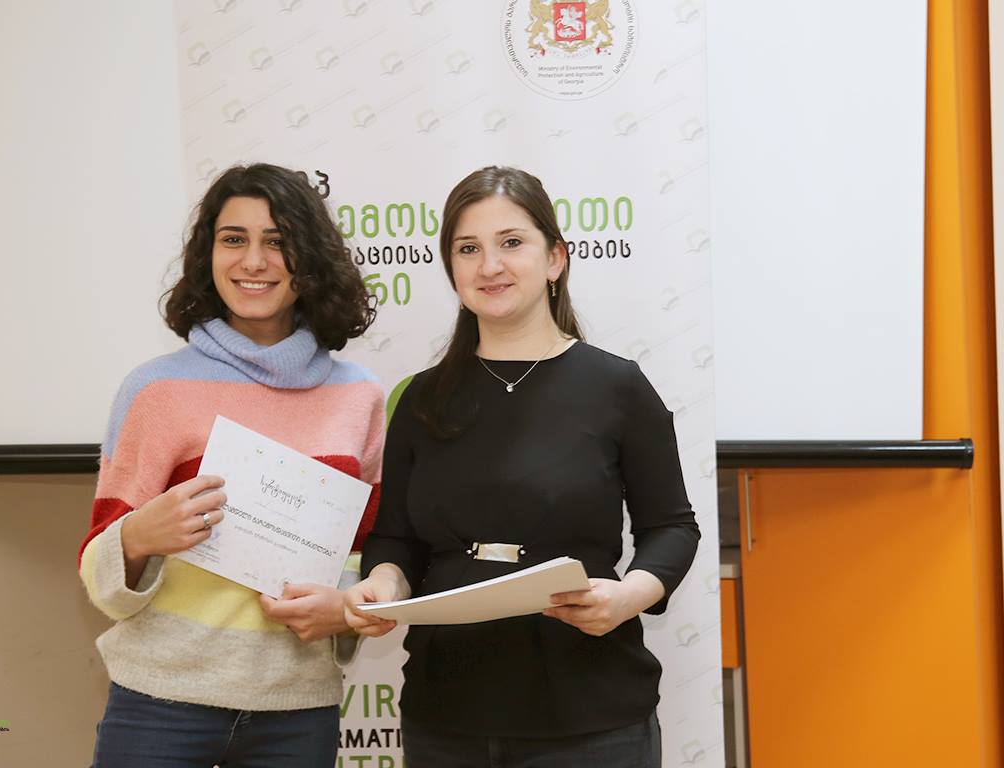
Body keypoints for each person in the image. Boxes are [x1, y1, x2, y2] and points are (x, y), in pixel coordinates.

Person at [344, 166, 700, 767]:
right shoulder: (422, 400)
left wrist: (628, 596)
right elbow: (396, 538)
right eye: (468, 249)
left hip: (593, 714)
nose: (490, 266)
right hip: (446, 715)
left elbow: (672, 527)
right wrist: (383, 584)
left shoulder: (617, 387)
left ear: (555, 258)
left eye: (511, 242)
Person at [78, 163, 385, 767]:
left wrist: (344, 608)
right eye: (233, 239)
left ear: (310, 258)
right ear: (208, 255)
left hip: (298, 710)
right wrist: (137, 537)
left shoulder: (360, 396)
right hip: (160, 706)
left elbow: (362, 555)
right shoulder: (155, 391)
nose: (253, 261)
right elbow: (98, 568)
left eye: (277, 241)